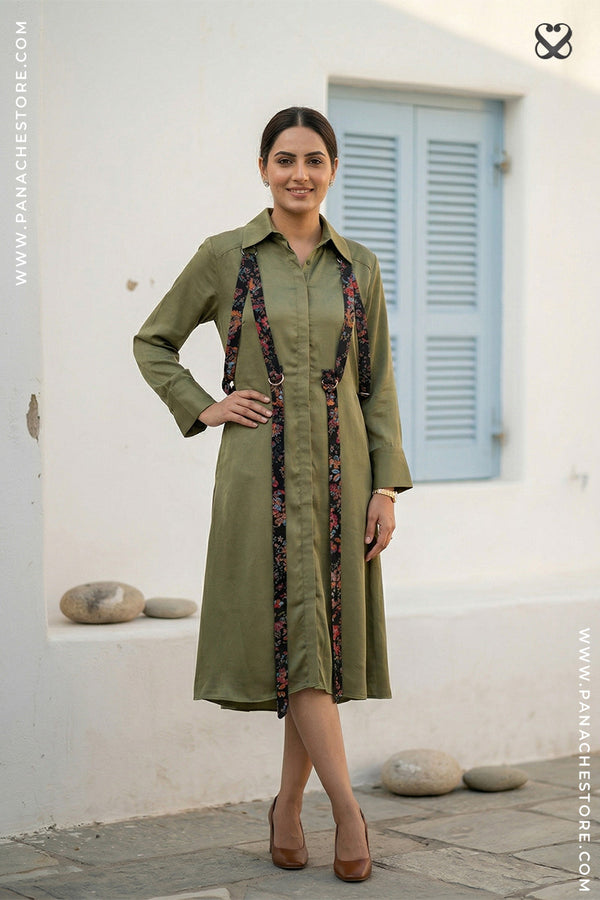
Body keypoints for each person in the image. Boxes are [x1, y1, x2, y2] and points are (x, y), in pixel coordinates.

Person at [133, 106, 412, 882]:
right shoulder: (224, 256)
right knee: (304, 640)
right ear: (263, 169)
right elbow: (152, 341)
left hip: (345, 472)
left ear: (332, 170)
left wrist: (386, 485)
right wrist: (204, 403)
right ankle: (347, 813)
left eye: (314, 160)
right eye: (285, 159)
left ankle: (287, 807)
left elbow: (378, 382)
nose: (300, 173)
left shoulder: (360, 265)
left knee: (311, 644)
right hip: (261, 476)